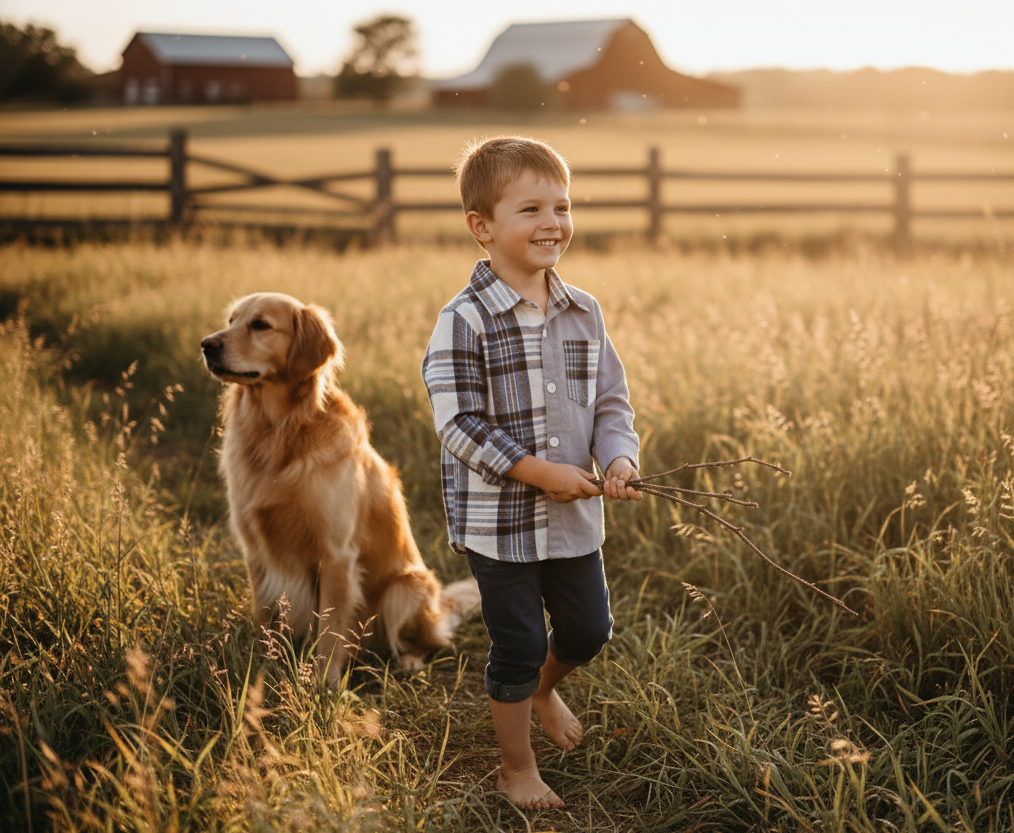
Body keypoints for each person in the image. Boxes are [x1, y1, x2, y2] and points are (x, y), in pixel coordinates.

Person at [421, 136, 641, 810]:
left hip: (575, 517)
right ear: (482, 226)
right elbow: (458, 424)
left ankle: (545, 687)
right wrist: (538, 470)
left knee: (588, 630)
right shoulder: (462, 320)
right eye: (531, 208)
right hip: (500, 521)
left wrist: (620, 456)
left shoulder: (584, 312)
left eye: (563, 205)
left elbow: (610, 400)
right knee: (516, 641)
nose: (553, 222)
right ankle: (516, 767)